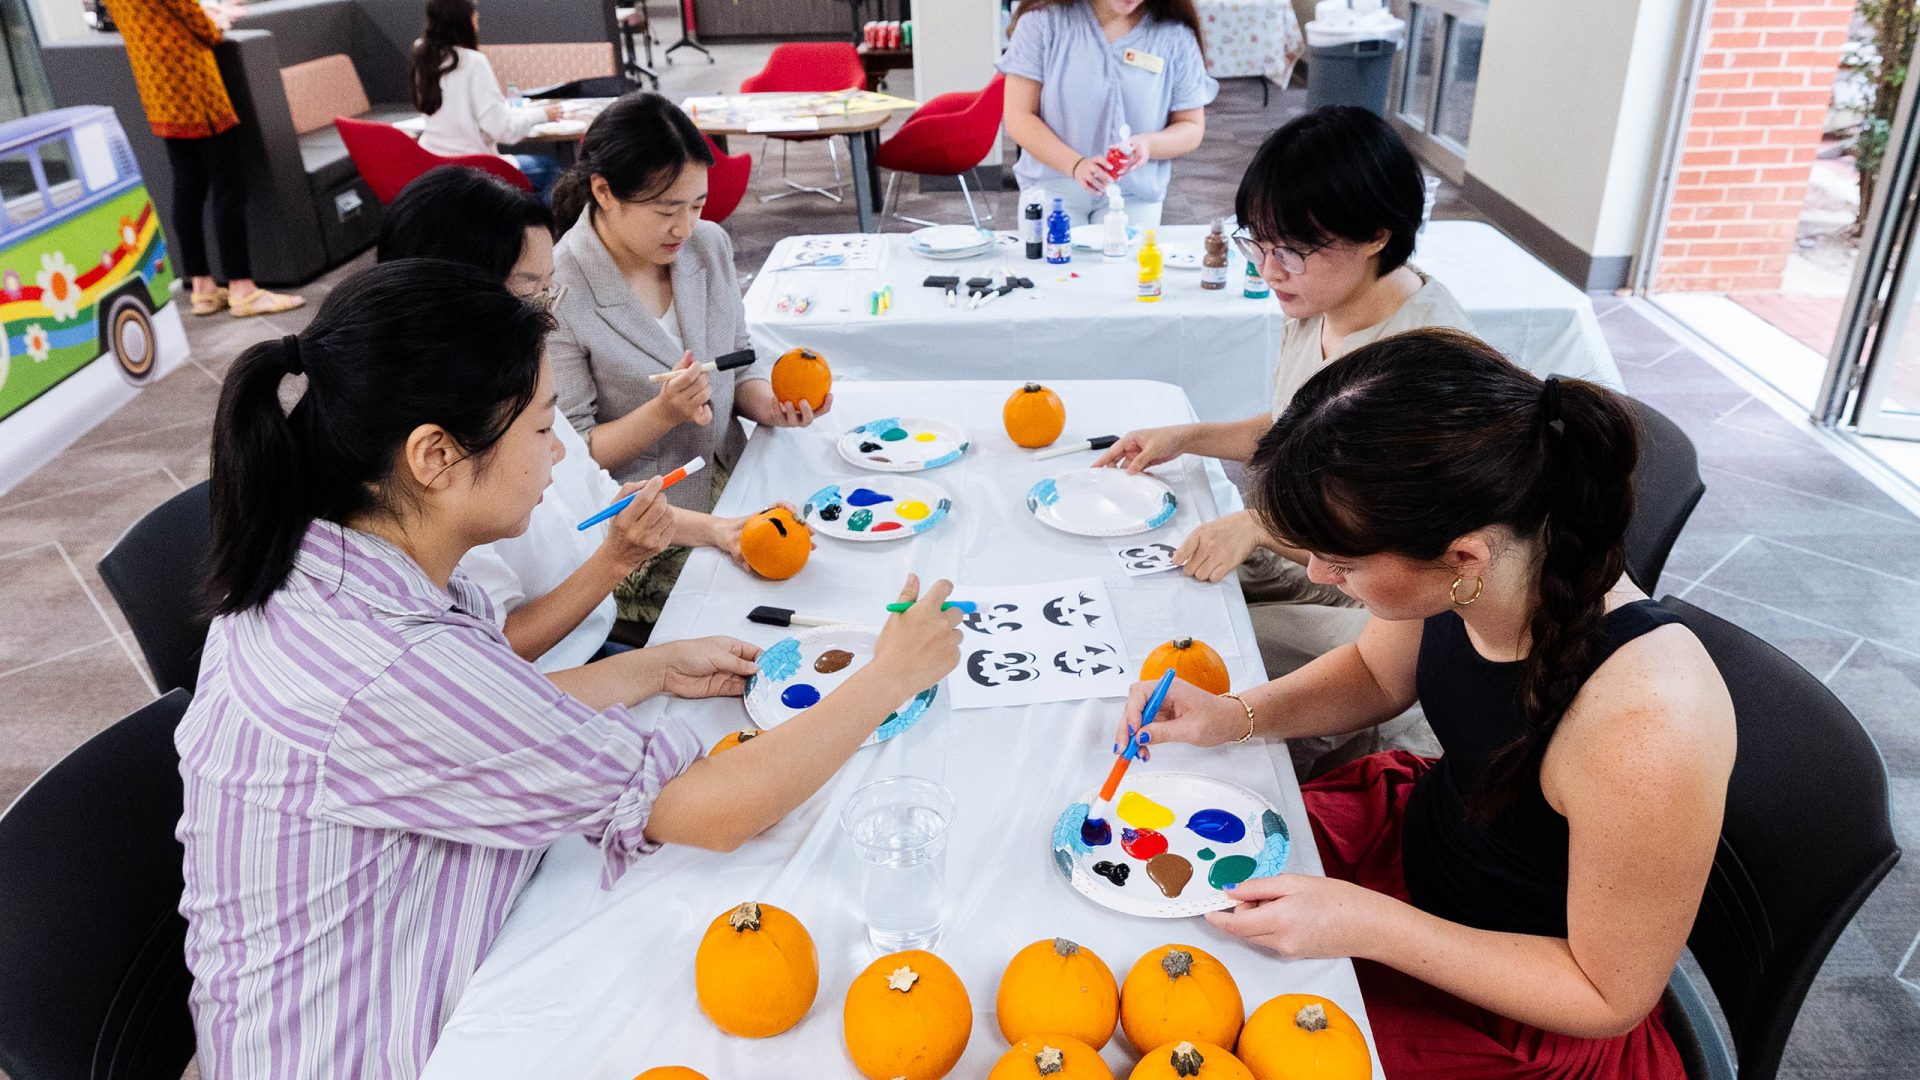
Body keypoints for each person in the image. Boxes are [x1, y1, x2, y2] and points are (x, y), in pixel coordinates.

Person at [177, 258, 962, 1078]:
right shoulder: (389, 663)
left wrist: (649, 669)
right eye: (545, 428)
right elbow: (714, 811)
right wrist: (887, 677)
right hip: (373, 1045)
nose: (560, 458)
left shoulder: (336, 565)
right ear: (435, 457)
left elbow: (492, 717)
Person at [1110, 329, 1736, 1077]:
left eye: (1339, 562)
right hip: (1415, 852)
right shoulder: (1481, 561)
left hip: (1514, 1001)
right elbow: (1378, 676)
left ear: (1463, 557)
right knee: (1151, 933)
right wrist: (1234, 715)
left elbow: (1607, 994)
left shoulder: (1645, 727)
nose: (1315, 573)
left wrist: (1374, 926)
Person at [1095, 108, 1476, 762]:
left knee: (1190, 656)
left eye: (1292, 250)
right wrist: (1187, 436)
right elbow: (1293, 431)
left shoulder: (1420, 369)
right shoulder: (1325, 301)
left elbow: (1400, 554)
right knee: (1155, 592)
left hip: (1391, 611)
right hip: (1323, 562)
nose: (1270, 270)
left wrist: (1259, 528)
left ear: (1376, 234)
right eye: (1259, 243)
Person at [376, 166, 773, 670]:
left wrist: (721, 530)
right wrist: (615, 563)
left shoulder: (516, 386)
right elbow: (488, 657)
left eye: (550, 291)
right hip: (542, 684)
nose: (548, 318)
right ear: (448, 294)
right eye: (529, 295)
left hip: (594, 645)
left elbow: (599, 496)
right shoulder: (438, 453)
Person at [547, 92, 828, 626]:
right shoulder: (561, 287)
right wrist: (664, 412)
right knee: (768, 617)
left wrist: (772, 405)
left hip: (735, 475)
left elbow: (737, 365)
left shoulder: (708, 245)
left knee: (836, 550)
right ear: (604, 192)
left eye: (696, 205)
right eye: (666, 210)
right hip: (646, 523)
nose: (684, 227)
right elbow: (574, 456)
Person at [108, 0, 306, 316]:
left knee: (188, 186)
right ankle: (243, 289)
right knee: (229, 186)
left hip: (158, 90)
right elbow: (204, 29)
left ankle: (202, 288)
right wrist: (217, 19)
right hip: (193, 86)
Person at [999, 0, 1218, 228]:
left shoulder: (1175, 35)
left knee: (1126, 263)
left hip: (1134, 195)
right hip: (1052, 188)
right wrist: (1076, 165)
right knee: (1054, 262)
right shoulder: (1041, 23)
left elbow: (1191, 126)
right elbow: (1019, 117)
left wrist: (1148, 145)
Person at [410, 0, 567, 197]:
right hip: (475, 168)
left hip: (433, 164)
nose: (478, 26)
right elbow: (503, 131)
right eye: (476, 20)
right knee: (551, 170)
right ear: (464, 22)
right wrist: (541, 115)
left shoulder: (423, 54)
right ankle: (535, 228)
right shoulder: (474, 62)